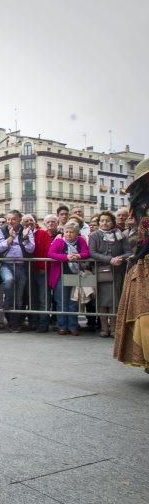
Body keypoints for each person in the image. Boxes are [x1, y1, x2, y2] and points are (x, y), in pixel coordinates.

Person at [114, 157, 149, 370]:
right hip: (144, 262)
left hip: (142, 260)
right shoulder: (141, 202)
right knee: (143, 314)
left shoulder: (140, 203)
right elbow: (143, 237)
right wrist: (137, 255)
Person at [88, 211, 129, 337]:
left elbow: (129, 251)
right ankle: (104, 328)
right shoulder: (94, 235)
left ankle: (114, 329)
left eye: (107, 221)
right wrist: (109, 259)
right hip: (100, 271)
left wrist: (119, 258)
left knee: (114, 300)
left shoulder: (120, 235)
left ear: (112, 222)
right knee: (101, 301)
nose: (104, 223)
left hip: (117, 272)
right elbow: (92, 252)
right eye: (102, 221)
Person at [0, 210, 35, 332]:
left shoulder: (26, 230)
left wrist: (25, 238)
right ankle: (6, 302)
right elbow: (0, 246)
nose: (10, 222)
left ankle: (14, 323)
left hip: (21, 265)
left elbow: (31, 249)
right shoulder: (1, 230)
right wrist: (11, 237)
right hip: (6, 264)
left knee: (19, 297)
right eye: (8, 219)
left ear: (19, 220)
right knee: (9, 280)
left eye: (13, 219)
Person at [48, 221, 90, 336]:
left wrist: (78, 256)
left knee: (73, 302)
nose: (68, 234)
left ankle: (73, 326)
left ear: (77, 233)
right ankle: (62, 326)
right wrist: (66, 257)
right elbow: (51, 254)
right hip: (60, 274)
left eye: (71, 232)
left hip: (74, 274)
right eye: (66, 232)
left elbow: (87, 252)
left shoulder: (80, 240)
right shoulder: (59, 241)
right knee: (61, 301)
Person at [31, 214, 60, 332]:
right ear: (44, 223)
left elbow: (46, 252)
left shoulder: (46, 234)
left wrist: (43, 267)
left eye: (53, 221)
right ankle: (35, 322)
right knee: (35, 298)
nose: (51, 224)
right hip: (34, 270)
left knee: (46, 298)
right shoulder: (35, 234)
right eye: (48, 222)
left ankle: (44, 323)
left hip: (48, 270)